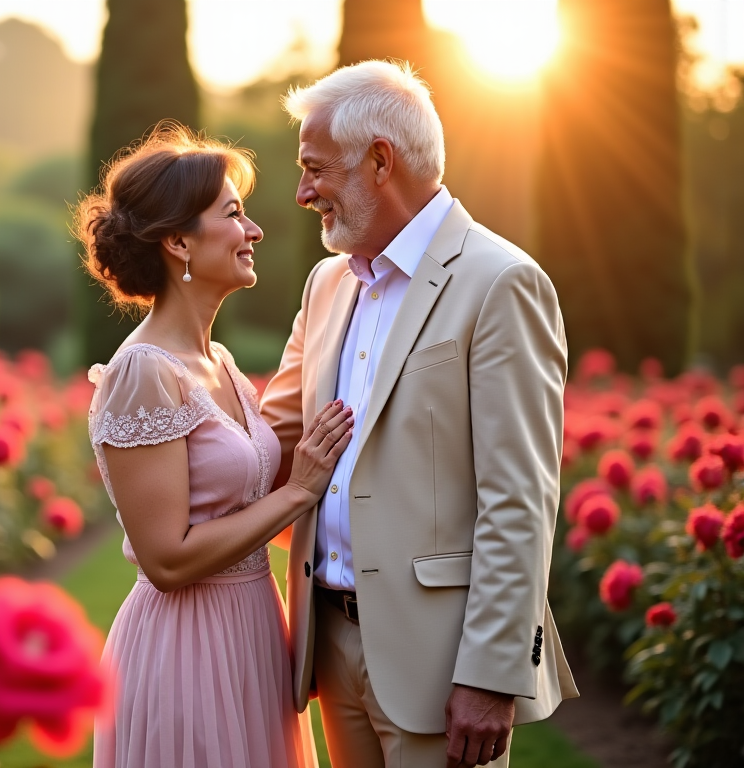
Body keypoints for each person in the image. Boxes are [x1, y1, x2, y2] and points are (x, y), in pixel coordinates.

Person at [260, 60, 580, 768]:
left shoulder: (501, 282)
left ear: (380, 160)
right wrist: (170, 381)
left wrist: (492, 673)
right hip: (327, 644)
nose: (301, 191)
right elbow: (269, 435)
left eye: (315, 168)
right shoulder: (325, 284)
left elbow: (520, 498)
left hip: (441, 661)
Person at [82, 123, 345, 768]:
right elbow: (167, 560)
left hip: (252, 630)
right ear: (178, 242)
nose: (254, 231)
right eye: (234, 214)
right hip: (185, 650)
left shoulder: (220, 361)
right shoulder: (144, 371)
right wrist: (301, 492)